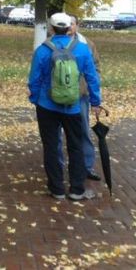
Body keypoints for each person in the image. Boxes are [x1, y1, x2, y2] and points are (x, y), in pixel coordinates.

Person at [28, 12, 102, 201]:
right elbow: (92, 77)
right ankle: (77, 190)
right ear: (70, 27)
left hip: (47, 106)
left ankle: (57, 189)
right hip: (73, 107)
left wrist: (35, 98)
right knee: (75, 146)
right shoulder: (82, 49)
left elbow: (34, 79)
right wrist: (95, 102)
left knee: (51, 146)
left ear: (51, 29)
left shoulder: (43, 50)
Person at [55, 15, 102, 180]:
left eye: (72, 24)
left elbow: (95, 68)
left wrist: (93, 93)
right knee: (56, 134)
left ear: (77, 25)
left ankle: (86, 166)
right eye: (67, 24)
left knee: (83, 131)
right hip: (57, 95)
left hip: (80, 95)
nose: (69, 27)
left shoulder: (87, 44)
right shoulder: (54, 42)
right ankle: (58, 167)